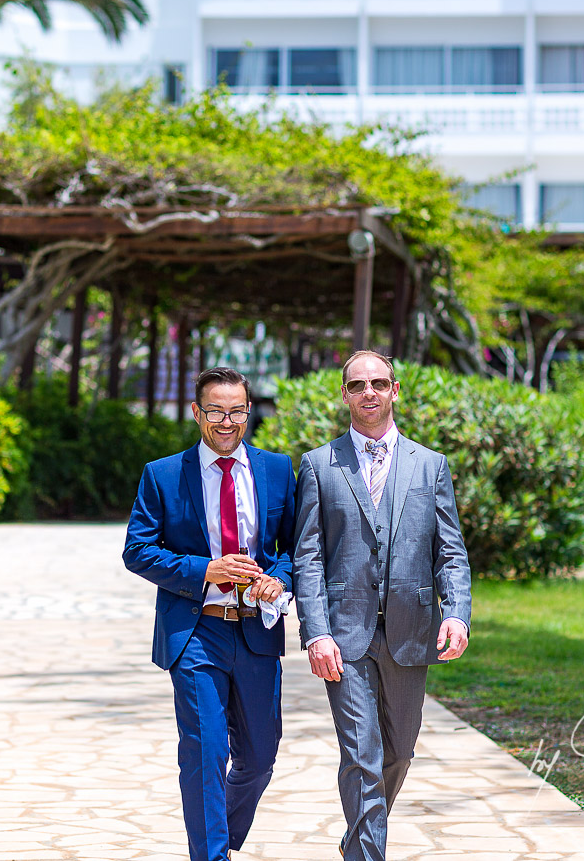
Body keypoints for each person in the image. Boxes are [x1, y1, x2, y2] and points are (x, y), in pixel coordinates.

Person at [292, 350, 472, 861]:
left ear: (394, 390)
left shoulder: (430, 465)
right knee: (362, 756)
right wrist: (315, 631)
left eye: (377, 382)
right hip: (344, 637)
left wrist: (456, 611)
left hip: (411, 632)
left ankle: (357, 839)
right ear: (344, 395)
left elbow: (450, 551)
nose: (367, 391)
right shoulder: (319, 465)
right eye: (356, 385)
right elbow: (307, 556)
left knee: (400, 751)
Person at [123, 367, 297, 861]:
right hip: (196, 632)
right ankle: (212, 854)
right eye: (216, 411)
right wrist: (206, 569)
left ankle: (219, 835)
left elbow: (291, 548)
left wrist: (278, 578)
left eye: (237, 411)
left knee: (259, 757)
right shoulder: (162, 474)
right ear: (197, 413)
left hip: (258, 633)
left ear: (249, 412)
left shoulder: (277, 470)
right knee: (204, 753)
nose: (227, 422)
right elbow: (138, 550)